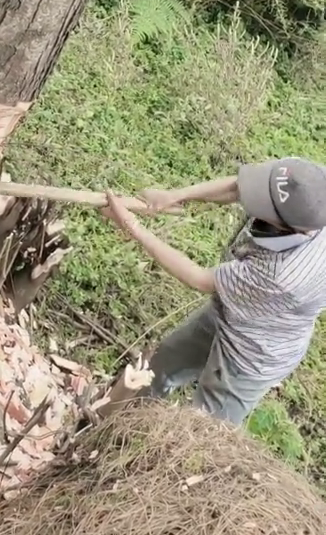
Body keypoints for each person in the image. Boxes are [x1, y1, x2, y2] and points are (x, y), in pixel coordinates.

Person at [105, 157, 326, 425]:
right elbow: (238, 187)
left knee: (201, 429)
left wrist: (133, 227)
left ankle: (145, 457)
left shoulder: (283, 275)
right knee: (163, 364)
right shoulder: (310, 187)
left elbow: (200, 279)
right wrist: (175, 196)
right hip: (228, 308)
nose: (249, 198)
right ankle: (116, 422)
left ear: (286, 226)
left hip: (252, 353)